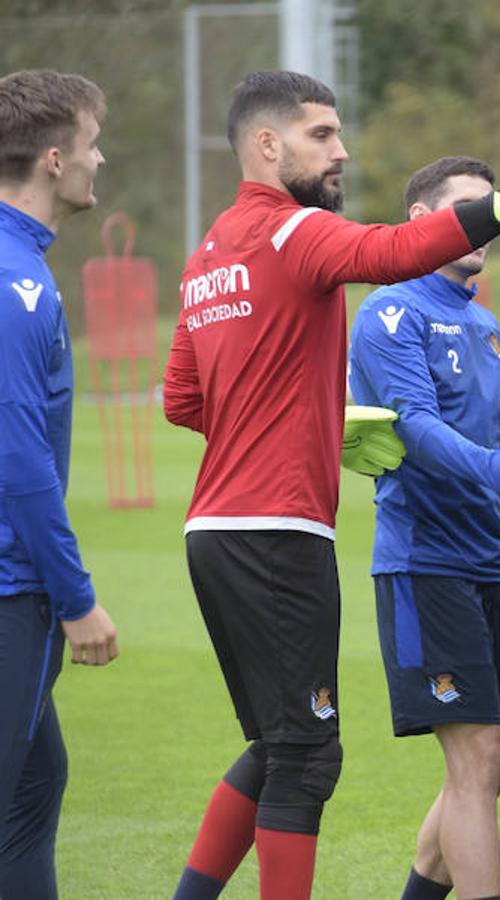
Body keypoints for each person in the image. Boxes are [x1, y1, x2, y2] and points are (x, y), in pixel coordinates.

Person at [162, 69, 500, 900]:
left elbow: (184, 400)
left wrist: (301, 424)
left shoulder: (206, 256)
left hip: (213, 529)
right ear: (269, 145)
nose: (342, 150)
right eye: (323, 134)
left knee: (275, 744)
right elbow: (389, 254)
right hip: (278, 531)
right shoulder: (292, 231)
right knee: (307, 755)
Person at [347, 155, 500, 900]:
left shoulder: (484, 320)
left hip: (490, 563)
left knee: (495, 765)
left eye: (490, 207)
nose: (484, 221)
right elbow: (415, 426)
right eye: (466, 206)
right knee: (476, 757)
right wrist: (497, 469)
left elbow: (494, 437)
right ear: (422, 219)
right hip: (427, 562)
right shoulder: (391, 309)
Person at [0, 67, 120, 900]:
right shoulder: (21, 285)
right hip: (12, 590)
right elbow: (19, 459)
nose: (100, 160)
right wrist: (75, 597)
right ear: (52, 158)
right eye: (91, 143)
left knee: (37, 784)